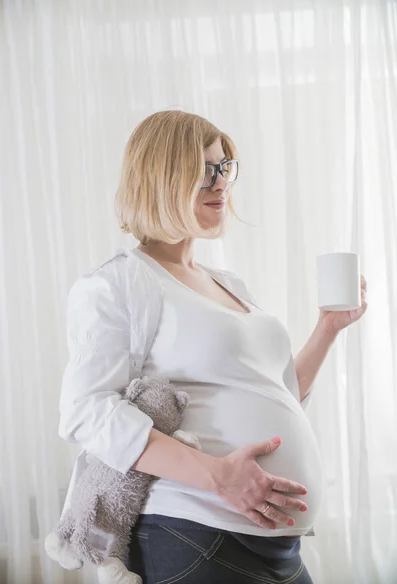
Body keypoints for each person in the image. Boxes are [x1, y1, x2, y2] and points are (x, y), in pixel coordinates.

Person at [59, 109, 324, 583]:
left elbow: (280, 396)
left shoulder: (228, 284)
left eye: (225, 167)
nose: (220, 182)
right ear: (161, 178)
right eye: (204, 170)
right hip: (195, 532)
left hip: (276, 546)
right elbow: (87, 410)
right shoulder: (119, 283)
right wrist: (217, 475)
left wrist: (330, 327)